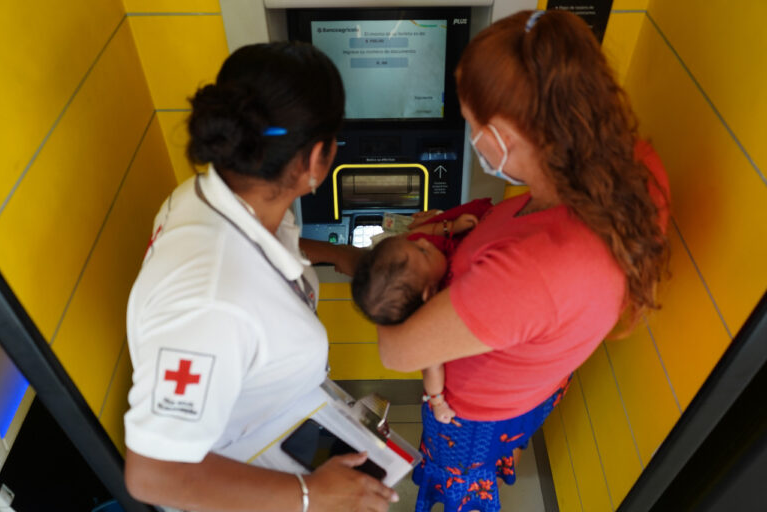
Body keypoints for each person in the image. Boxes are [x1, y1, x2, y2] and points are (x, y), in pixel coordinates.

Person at [372, 10, 671, 512]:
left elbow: (396, 350)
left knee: (461, 483)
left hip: (467, 417)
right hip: (532, 388)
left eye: (471, 124)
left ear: (504, 135)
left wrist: (408, 251)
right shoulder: (628, 167)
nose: (470, 137)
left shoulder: (539, 271)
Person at [122, 42, 398, 512]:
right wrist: (312, 495)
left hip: (278, 428)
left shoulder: (213, 194)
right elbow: (153, 475)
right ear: (315, 161)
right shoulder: (209, 308)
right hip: (245, 486)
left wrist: (339, 254)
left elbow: (264, 247)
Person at [352, 200, 493, 424]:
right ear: (429, 293)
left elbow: (416, 234)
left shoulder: (420, 257)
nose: (424, 242)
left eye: (418, 245)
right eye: (422, 251)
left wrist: (448, 227)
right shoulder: (435, 320)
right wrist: (438, 403)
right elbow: (433, 367)